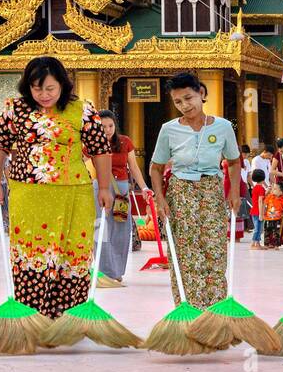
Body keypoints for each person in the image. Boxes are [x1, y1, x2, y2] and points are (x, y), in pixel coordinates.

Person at [0, 56, 114, 319]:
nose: (43, 95)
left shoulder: (82, 109)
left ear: (62, 86)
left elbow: (101, 150)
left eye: (50, 89)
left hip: (73, 193)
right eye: (37, 88)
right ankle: (31, 317)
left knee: (71, 253)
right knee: (32, 253)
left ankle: (68, 319)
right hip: (28, 193)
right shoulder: (15, 109)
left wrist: (103, 188)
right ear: (27, 87)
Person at [149, 72, 241, 309]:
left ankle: (215, 314)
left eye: (188, 98)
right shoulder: (168, 130)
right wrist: (160, 199)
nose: (184, 106)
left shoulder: (223, 127)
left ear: (201, 94)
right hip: (181, 194)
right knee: (185, 256)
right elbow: (156, 168)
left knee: (214, 252)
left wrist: (234, 193)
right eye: (178, 102)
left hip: (211, 192)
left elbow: (233, 161)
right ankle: (189, 313)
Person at [94, 110, 149, 285]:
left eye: (110, 126)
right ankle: (103, 271)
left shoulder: (125, 142)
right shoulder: (93, 143)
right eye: (103, 127)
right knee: (101, 229)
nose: (108, 130)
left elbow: (133, 167)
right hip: (100, 189)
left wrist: (144, 187)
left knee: (120, 230)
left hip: (121, 190)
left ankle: (117, 271)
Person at [261, 180, 283, 249]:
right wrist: (263, 213)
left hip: (277, 219)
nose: (273, 190)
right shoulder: (269, 196)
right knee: (267, 231)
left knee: (276, 232)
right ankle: (266, 244)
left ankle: (276, 245)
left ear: (281, 192)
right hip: (268, 218)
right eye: (273, 188)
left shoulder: (282, 199)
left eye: (275, 189)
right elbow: (264, 204)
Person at [249, 170, 268, 247]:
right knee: (258, 229)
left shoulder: (255, 188)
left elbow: (259, 198)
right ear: (263, 178)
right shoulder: (261, 188)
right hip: (258, 211)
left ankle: (257, 243)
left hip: (254, 210)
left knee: (258, 228)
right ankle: (254, 243)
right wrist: (261, 213)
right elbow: (260, 201)